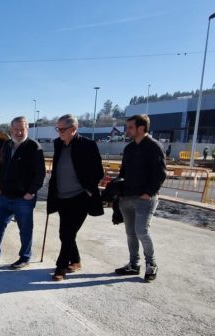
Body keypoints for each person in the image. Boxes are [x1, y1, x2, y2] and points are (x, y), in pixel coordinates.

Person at [0, 116, 46, 269]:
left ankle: (25, 257)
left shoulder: (34, 147)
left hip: (23, 198)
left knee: (25, 229)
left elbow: (40, 173)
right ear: (11, 129)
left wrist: (31, 192)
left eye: (22, 129)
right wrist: (0, 188)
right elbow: (1, 168)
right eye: (16, 129)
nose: (18, 132)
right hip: (4, 196)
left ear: (27, 129)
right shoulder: (7, 145)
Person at [47, 114, 104, 281]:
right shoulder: (58, 144)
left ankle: (61, 266)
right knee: (65, 233)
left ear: (73, 129)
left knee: (68, 233)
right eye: (57, 129)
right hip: (61, 197)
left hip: (80, 197)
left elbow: (98, 172)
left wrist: (88, 190)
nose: (59, 132)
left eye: (62, 129)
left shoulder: (88, 145)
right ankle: (76, 261)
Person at [114, 114, 167, 282]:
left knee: (141, 231)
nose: (127, 130)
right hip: (127, 197)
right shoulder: (129, 149)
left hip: (144, 199)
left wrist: (148, 193)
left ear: (141, 128)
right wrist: (117, 189)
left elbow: (161, 174)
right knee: (130, 233)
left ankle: (151, 264)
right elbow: (123, 172)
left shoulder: (154, 147)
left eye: (130, 127)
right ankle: (133, 264)